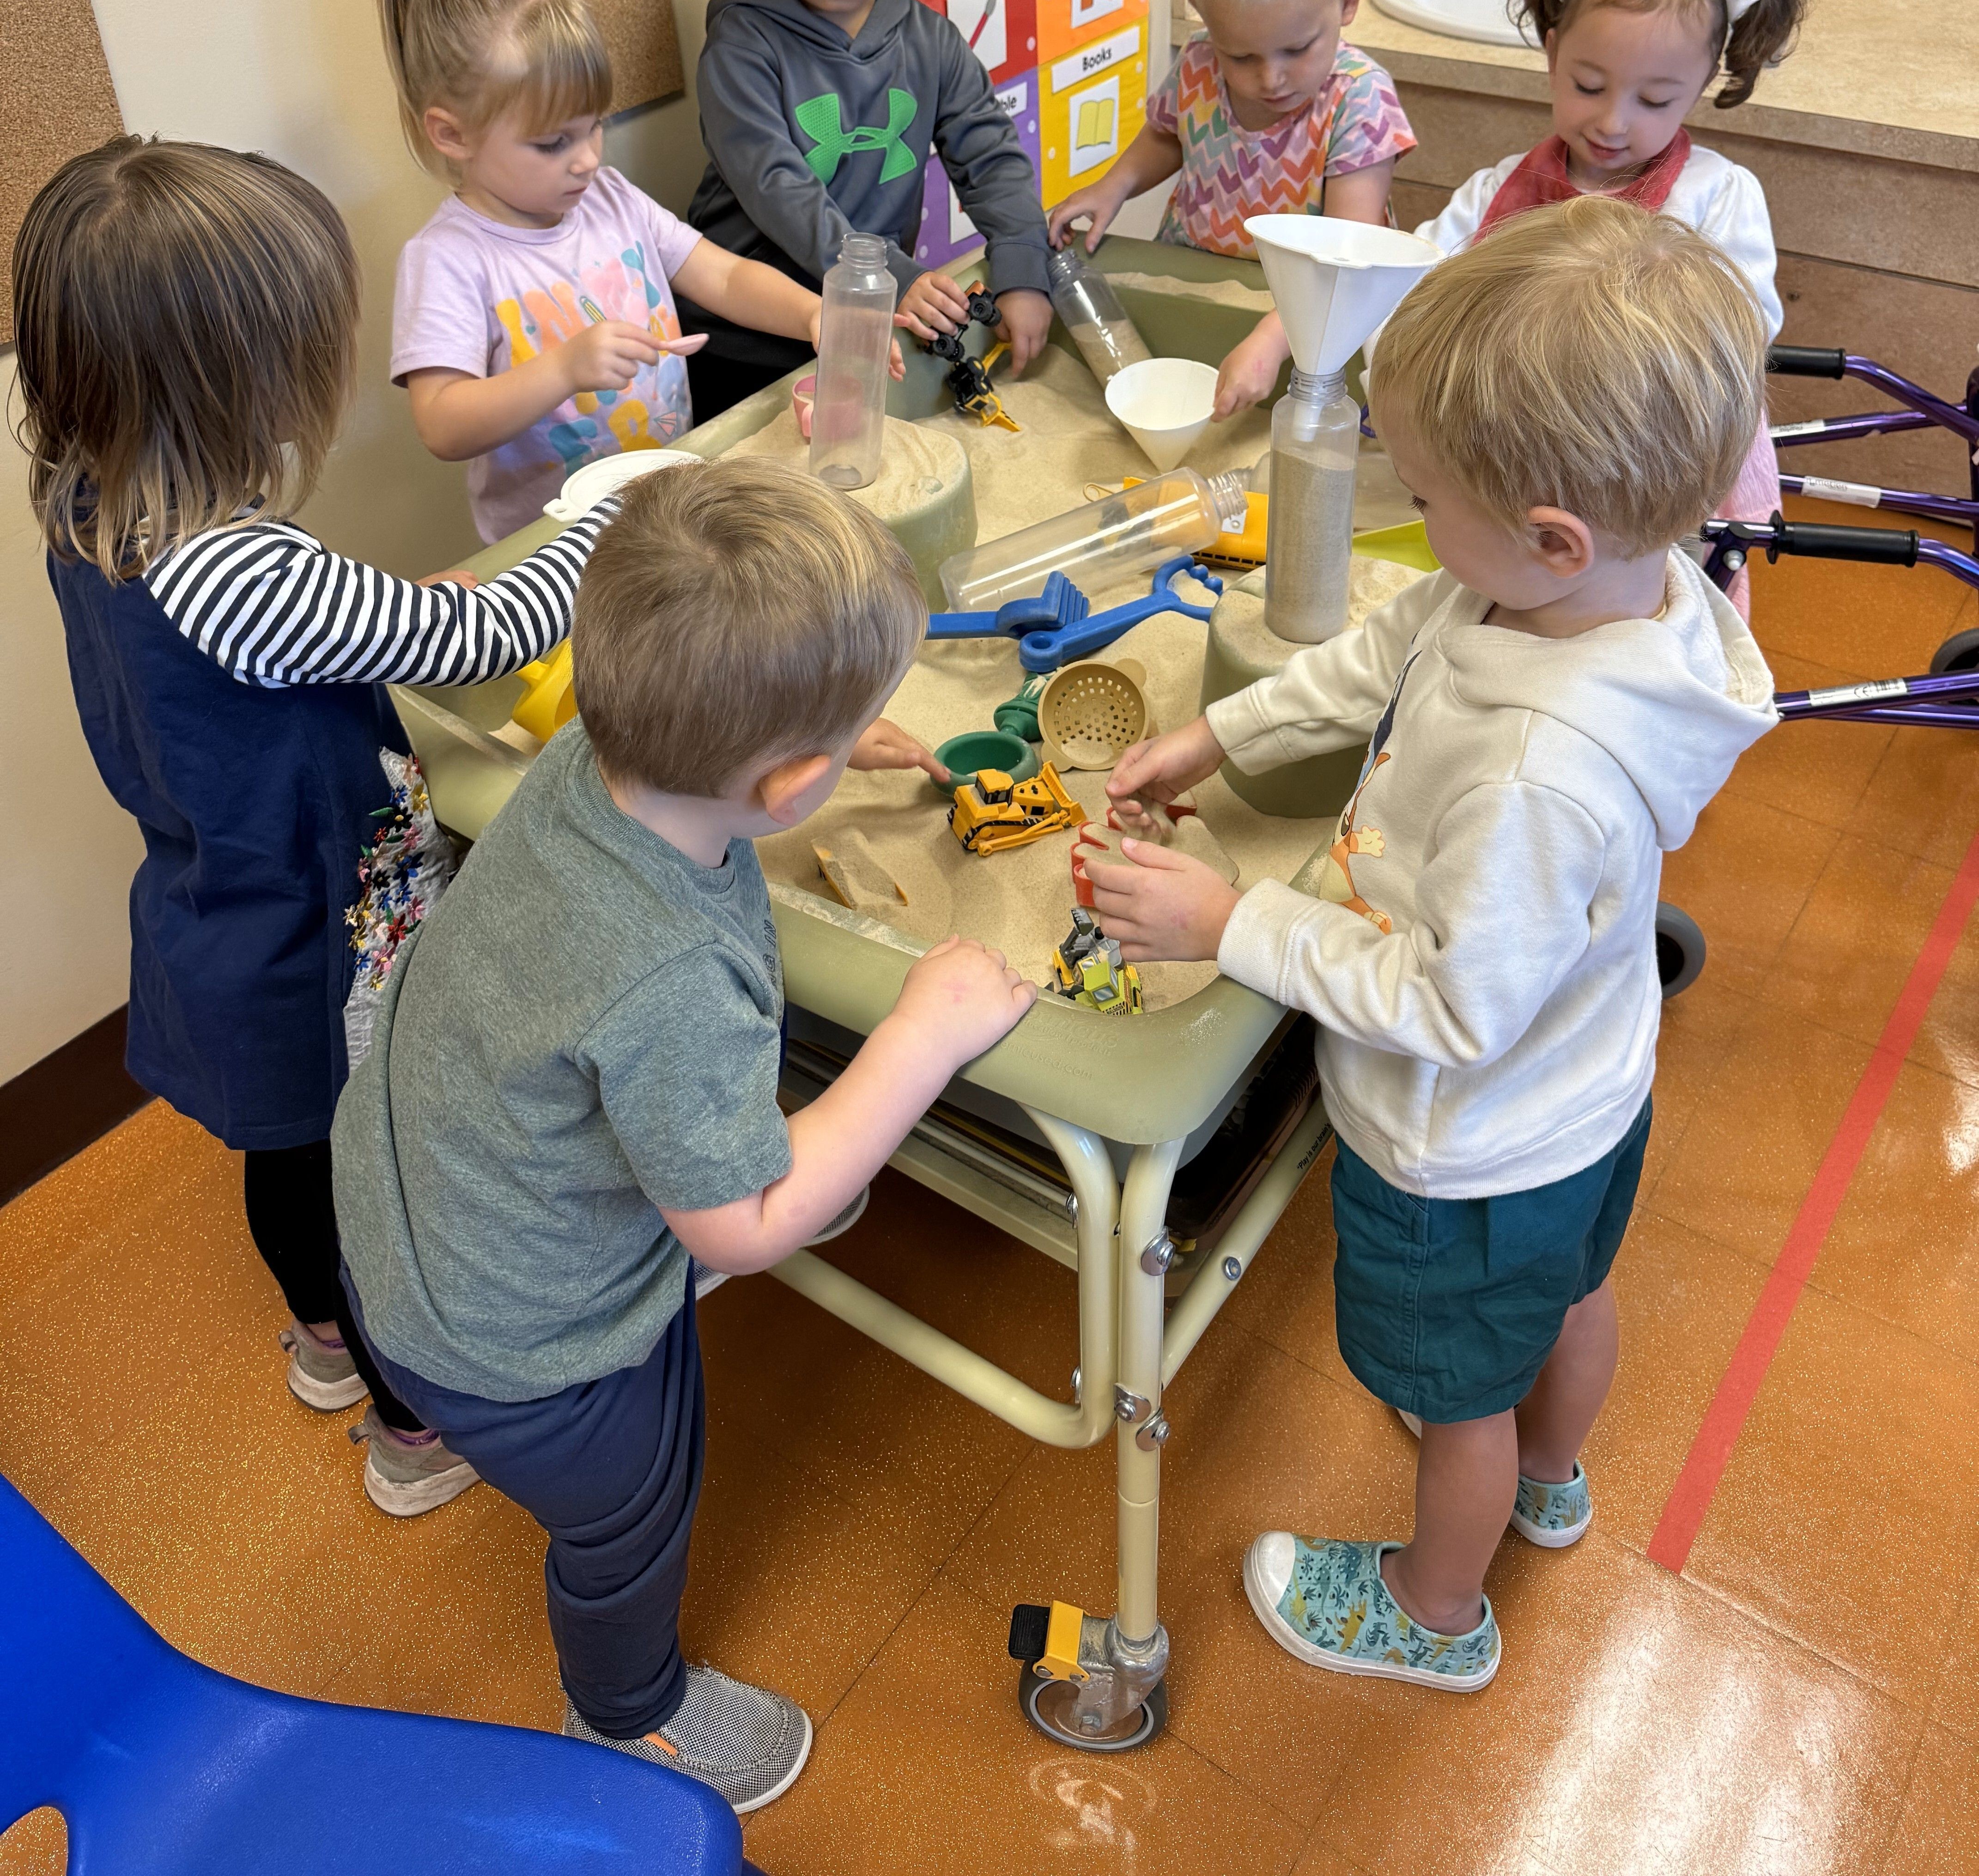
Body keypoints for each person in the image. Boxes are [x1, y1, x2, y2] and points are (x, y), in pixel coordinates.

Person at [1083, 200, 1778, 1692]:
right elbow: (1381, 654)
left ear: (1545, 533)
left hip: (1462, 1146)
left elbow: (1450, 1007)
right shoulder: (1584, 593)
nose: (1406, 509)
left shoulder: (1543, 766)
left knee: (1452, 1401)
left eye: (1423, 490)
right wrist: (1215, 734)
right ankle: (1548, 1479)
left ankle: (1435, 1607)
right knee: (1571, 1298)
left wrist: (1231, 923)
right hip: (1583, 1108)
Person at [331, 459, 1036, 1811]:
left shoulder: (583, 761)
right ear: (784, 781)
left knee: (700, 1185)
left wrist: (809, 759)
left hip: (395, 1204)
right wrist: (919, 1041)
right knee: (630, 1513)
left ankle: (415, 1435)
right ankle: (625, 1711)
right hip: (528, 1344)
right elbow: (746, 1227)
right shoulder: (676, 984)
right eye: (852, 729)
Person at [13, 136, 621, 1514]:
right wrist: (595, 530)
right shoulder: (235, 569)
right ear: (234, 382)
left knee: (285, 1159)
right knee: (376, 1190)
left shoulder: (85, 503)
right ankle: (416, 1429)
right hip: (323, 935)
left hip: (214, 911)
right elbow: (472, 629)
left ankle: (324, 1344)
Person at [1390, 0, 1805, 618]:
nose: (1614, 122)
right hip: (1514, 477)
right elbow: (1413, 284)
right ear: (1552, 52)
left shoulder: (1716, 199)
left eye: (1655, 99)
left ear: (1702, 83)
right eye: (1588, 86)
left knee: (1633, 630)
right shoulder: (1498, 192)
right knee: (1512, 615)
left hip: (1648, 486)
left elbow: (1740, 338)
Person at [383, 0, 827, 545]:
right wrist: (564, 369)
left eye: (595, 126)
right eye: (552, 143)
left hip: (667, 511)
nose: (588, 159)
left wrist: (813, 313)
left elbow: (722, 277)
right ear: (452, 135)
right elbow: (441, 424)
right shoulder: (448, 259)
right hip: (553, 552)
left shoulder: (612, 199)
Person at [680, 0, 1055, 424]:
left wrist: (1023, 268)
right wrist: (892, 280)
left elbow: (991, 156)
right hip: (743, 350)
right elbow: (780, 189)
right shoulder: (742, 48)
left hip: (868, 335)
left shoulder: (930, 42)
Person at [1047, 0, 1415, 418]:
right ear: (1202, 17)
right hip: (1199, 278)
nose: (1270, 79)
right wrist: (1113, 186)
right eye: (1240, 55)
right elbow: (1171, 134)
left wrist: (1272, 341)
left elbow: (1346, 257)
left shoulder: (1359, 101)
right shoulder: (1199, 62)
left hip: (1308, 313)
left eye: (1297, 50)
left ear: (1346, 0)